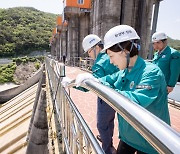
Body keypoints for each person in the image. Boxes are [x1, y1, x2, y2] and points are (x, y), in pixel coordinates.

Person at [75, 25, 170, 153]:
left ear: (125, 50)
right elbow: (108, 79)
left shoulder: (151, 73)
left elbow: (135, 101)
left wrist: (105, 87)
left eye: (111, 56)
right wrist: (91, 80)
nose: (111, 62)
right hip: (128, 137)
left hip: (150, 143)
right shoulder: (124, 72)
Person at [64, 34, 119, 154]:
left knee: (102, 124)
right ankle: (108, 141)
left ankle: (107, 149)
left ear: (96, 48)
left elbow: (90, 86)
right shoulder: (108, 57)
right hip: (116, 95)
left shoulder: (99, 63)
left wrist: (71, 83)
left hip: (106, 97)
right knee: (109, 122)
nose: (89, 55)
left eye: (89, 51)